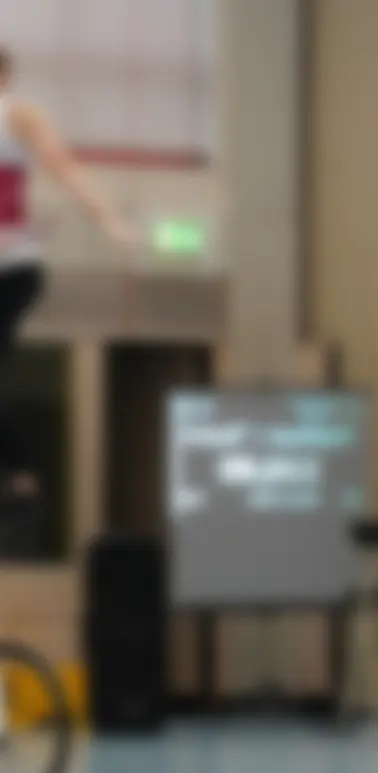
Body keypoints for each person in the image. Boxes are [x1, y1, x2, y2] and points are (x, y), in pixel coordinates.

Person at [0, 45, 135, 551]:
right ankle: (19, 471)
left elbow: (63, 166)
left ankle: (22, 470)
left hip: (11, 269)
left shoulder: (17, 114)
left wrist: (109, 218)